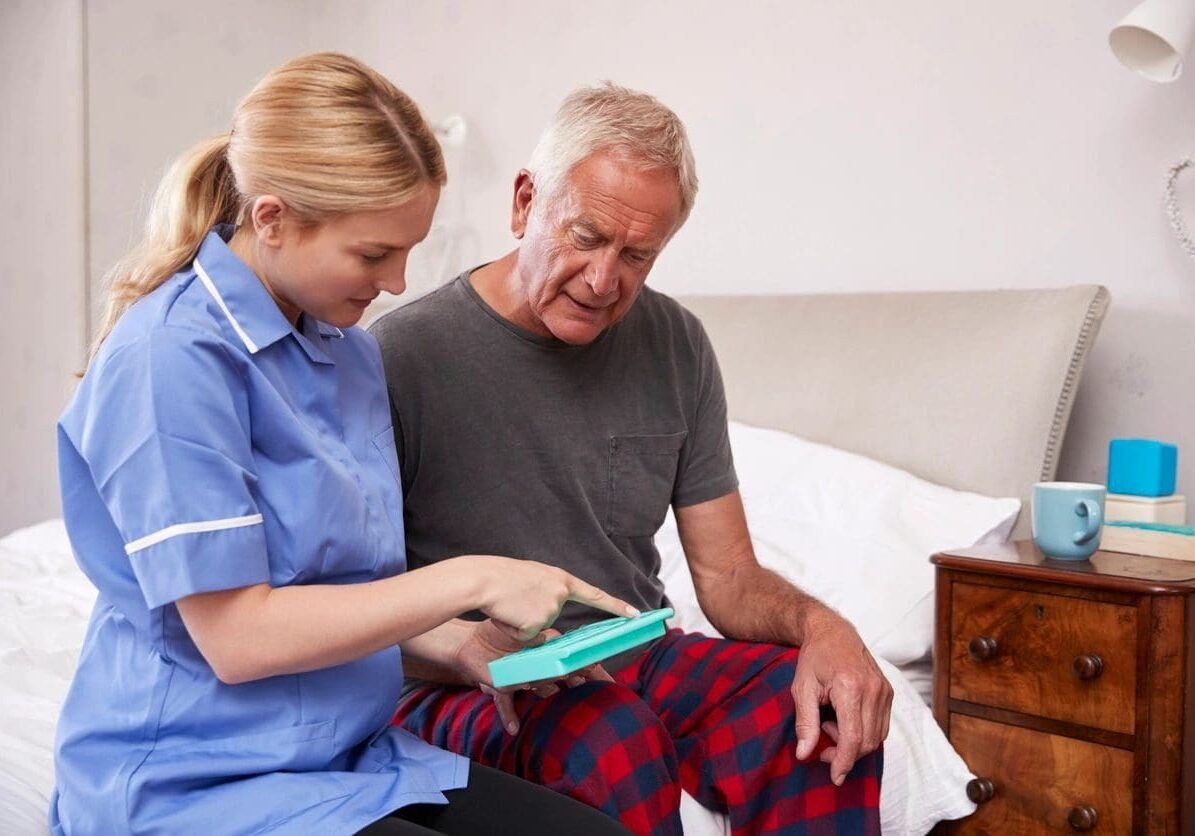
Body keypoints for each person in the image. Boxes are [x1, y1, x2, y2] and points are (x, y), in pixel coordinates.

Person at [51, 53, 634, 836]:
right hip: (192, 783)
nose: (396, 282)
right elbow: (237, 639)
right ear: (272, 219)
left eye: (406, 251)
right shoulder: (172, 358)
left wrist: (460, 642)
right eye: (372, 254)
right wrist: (476, 577)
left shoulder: (347, 352)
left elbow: (325, 585)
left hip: (343, 759)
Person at [370, 82, 894, 835]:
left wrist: (823, 627)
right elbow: (356, 596)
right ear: (524, 203)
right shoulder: (399, 356)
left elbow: (728, 579)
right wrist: (470, 651)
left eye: (637, 254)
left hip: (631, 654)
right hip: (463, 678)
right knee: (608, 735)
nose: (602, 279)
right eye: (585, 236)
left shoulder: (676, 345)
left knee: (812, 705)